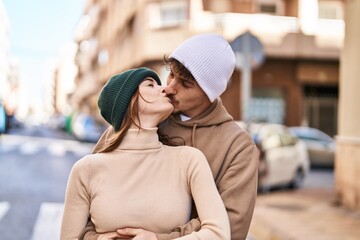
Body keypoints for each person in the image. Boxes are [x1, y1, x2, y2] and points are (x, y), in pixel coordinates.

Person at [82, 33, 259, 240]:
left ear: (211, 92)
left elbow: (231, 228)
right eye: (171, 74)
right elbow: (86, 205)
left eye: (185, 83)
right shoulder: (140, 117)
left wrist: (158, 238)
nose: (170, 87)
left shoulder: (237, 146)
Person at [60, 67, 231, 240]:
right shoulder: (86, 169)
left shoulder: (188, 160)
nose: (164, 88)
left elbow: (219, 233)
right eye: (150, 85)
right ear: (127, 101)